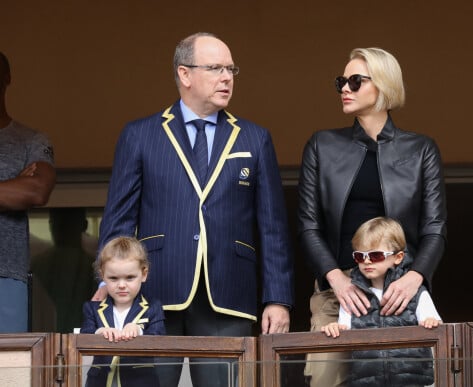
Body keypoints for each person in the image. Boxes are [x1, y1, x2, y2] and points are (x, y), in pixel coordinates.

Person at [93, 32, 294, 386]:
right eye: (215, 68)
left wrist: (278, 298)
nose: (227, 77)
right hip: (153, 294)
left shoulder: (254, 137)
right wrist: (108, 282)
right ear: (185, 74)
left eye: (231, 69)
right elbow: (119, 219)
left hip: (229, 293)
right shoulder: (140, 134)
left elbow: (273, 227)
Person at [298, 47, 447, 386]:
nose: (344, 89)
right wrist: (336, 279)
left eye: (355, 81)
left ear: (383, 86)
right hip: (338, 293)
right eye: (341, 82)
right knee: (326, 380)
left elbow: (435, 227)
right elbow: (308, 225)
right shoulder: (322, 144)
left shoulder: (421, 149)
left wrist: (416, 278)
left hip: (401, 293)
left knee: (408, 378)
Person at [321, 217, 442, 387]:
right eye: (360, 256)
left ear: (398, 257)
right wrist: (334, 328)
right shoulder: (353, 295)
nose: (367, 261)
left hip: (413, 381)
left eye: (375, 255)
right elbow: (343, 330)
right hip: (367, 382)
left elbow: (436, 326)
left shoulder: (415, 292)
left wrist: (430, 322)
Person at [0, 51, 56, 333]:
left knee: (8, 373)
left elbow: (37, 191)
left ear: (6, 77)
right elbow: (22, 191)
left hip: (7, 276)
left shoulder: (31, 140)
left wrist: (24, 188)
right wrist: (11, 187)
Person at [81, 236, 165, 387]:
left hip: (140, 382)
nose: (121, 285)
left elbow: (159, 339)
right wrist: (99, 332)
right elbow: (83, 338)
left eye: (130, 277)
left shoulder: (153, 307)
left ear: (144, 274)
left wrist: (139, 331)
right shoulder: (92, 308)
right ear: (102, 276)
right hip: (100, 381)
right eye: (113, 278)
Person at [31, 208, 97, 333]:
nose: (61, 227)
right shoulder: (37, 264)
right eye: (57, 222)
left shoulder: (94, 267)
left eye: (68, 223)